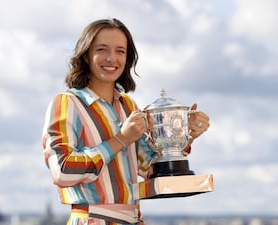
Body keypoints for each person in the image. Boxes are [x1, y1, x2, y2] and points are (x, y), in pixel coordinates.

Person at [41, 18, 210, 225]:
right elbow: (63, 171)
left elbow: (148, 168)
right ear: (86, 55)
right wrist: (121, 139)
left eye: (120, 51)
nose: (112, 58)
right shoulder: (67, 103)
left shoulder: (129, 106)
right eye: (102, 49)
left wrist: (184, 134)